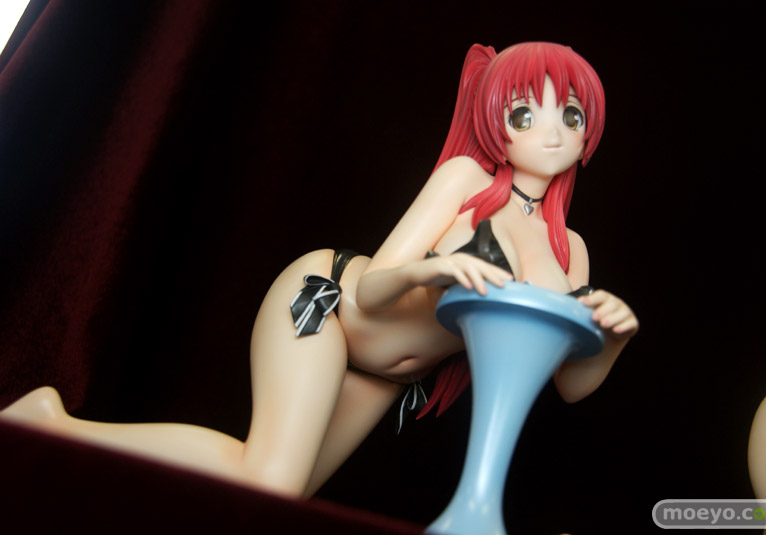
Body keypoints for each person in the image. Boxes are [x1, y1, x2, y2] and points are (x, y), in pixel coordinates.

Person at [0, 42, 638, 498]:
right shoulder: (466, 180)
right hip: (331, 305)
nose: (552, 133)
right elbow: (375, 286)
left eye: (570, 115)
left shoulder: (569, 251)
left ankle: (70, 454)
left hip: (385, 375)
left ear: (589, 131)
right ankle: (53, 425)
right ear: (497, 123)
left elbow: (569, 386)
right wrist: (435, 271)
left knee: (279, 500)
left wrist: (612, 337)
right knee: (269, 480)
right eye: (526, 113)